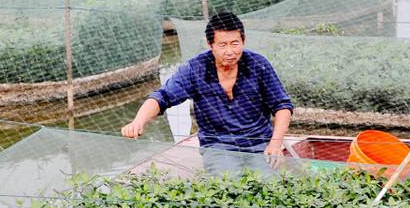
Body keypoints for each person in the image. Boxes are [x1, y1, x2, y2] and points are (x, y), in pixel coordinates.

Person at [121, 12, 294, 175]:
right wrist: (138, 122)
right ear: (210, 44)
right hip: (219, 146)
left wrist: (275, 143)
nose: (230, 51)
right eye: (222, 45)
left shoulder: (258, 64)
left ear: (243, 40)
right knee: (229, 185)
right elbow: (162, 97)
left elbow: (282, 105)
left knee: (269, 184)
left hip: (259, 142)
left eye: (235, 43)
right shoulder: (195, 69)